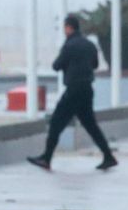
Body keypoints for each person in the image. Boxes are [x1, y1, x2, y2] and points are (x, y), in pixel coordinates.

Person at [27, 15, 118, 172]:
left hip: (74, 90)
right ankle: (108, 156)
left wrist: (69, 66)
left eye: (64, 28)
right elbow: (95, 65)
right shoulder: (90, 45)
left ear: (68, 27)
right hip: (87, 90)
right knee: (91, 125)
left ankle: (46, 158)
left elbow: (56, 65)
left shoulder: (69, 45)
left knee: (56, 123)